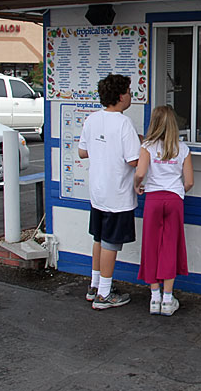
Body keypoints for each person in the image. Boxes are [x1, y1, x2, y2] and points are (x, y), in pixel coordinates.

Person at [78, 74, 141, 310]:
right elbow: (134, 160)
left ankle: (95, 285)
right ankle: (104, 294)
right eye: (129, 90)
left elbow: (83, 152)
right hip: (118, 193)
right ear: (121, 96)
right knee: (111, 244)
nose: (131, 94)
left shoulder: (92, 119)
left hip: (98, 191)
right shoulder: (124, 123)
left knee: (99, 238)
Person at [134, 105, 194, 316]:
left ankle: (154, 297)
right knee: (170, 247)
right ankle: (168, 300)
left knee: (151, 246)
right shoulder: (182, 148)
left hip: (153, 198)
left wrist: (137, 184)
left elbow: (140, 172)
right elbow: (189, 182)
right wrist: (177, 190)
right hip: (174, 199)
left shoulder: (147, 146)